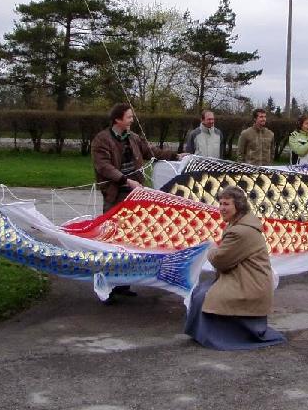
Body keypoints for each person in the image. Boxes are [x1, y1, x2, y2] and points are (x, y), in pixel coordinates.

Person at [91, 103, 183, 302]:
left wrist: (176, 156)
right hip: (115, 196)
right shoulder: (101, 140)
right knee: (112, 241)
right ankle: (107, 287)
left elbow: (151, 151)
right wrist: (125, 180)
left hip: (134, 197)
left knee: (131, 240)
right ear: (118, 119)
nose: (132, 120)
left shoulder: (133, 137)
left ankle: (124, 283)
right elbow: (104, 166)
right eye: (129, 117)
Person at [184, 186, 285, 350]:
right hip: (246, 277)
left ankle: (220, 337)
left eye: (226, 204)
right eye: (220, 203)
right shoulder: (240, 224)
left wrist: (211, 250)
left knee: (204, 295)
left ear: (238, 206)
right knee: (200, 290)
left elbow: (220, 261)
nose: (222, 208)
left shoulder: (241, 231)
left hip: (251, 283)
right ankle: (207, 335)